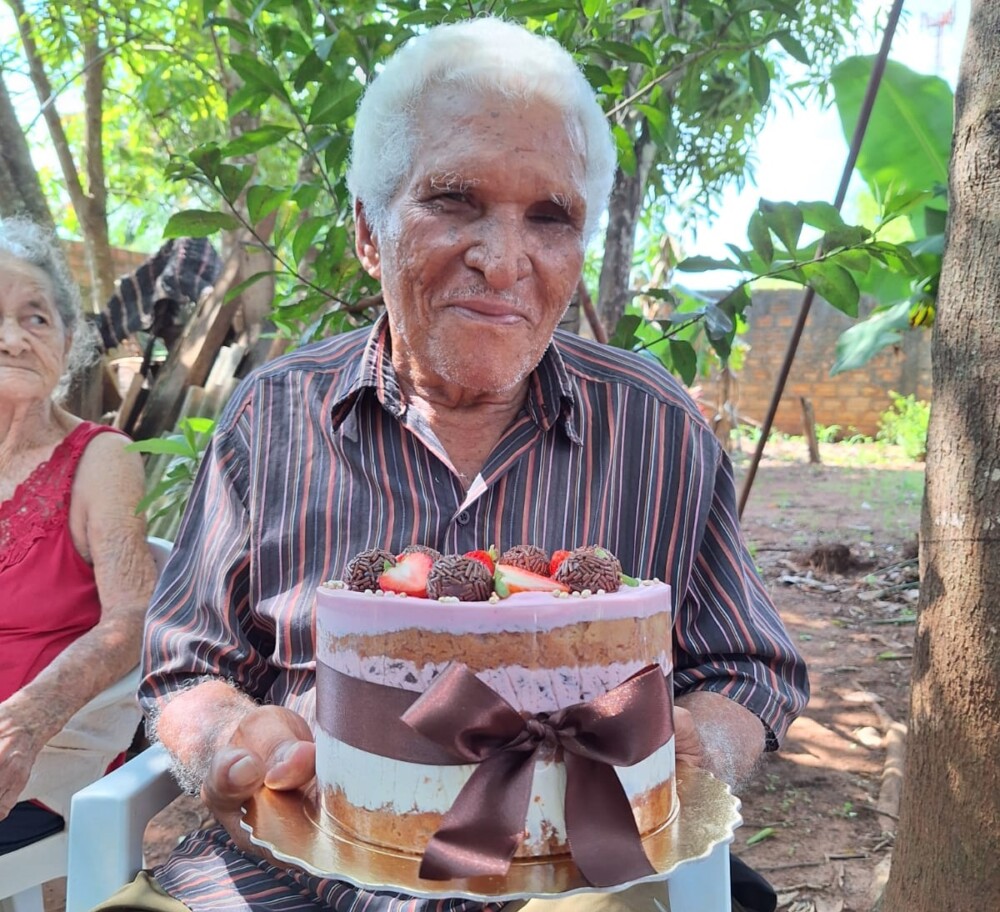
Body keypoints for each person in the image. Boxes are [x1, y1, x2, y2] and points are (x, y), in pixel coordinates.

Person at [126, 17, 808, 912]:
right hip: (297, 865)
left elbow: (748, 666)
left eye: (550, 217)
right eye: (454, 200)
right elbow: (185, 662)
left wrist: (700, 742)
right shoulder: (271, 418)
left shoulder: (658, 429)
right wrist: (229, 740)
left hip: (580, 870)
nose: (503, 260)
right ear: (370, 231)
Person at [0, 217, 157, 854]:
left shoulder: (102, 459)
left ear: (68, 342)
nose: (12, 339)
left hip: (40, 751)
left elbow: (135, 616)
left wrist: (27, 718)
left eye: (35, 318)